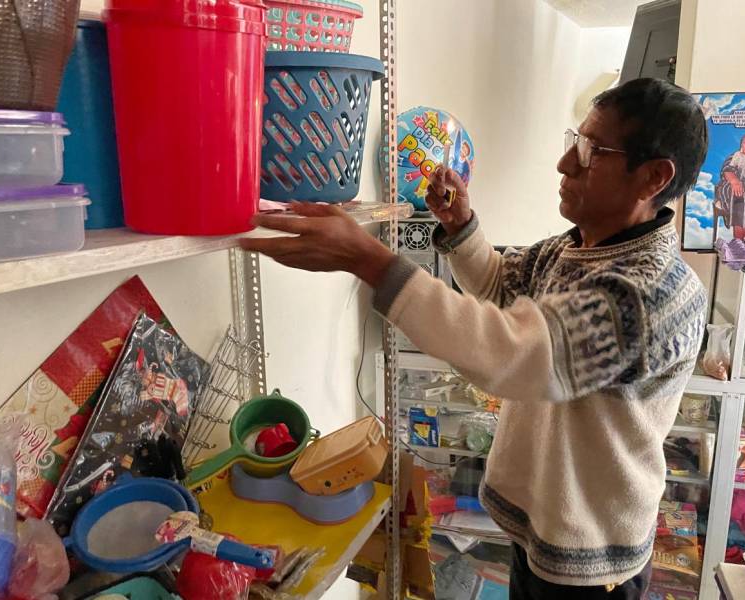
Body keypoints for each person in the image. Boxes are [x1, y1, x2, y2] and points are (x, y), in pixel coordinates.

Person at [241, 77, 709, 599]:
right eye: (572, 140)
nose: (564, 164)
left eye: (590, 151)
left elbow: (521, 359)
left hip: (592, 565)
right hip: (537, 531)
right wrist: (462, 227)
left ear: (652, 177)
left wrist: (368, 260)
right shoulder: (571, 248)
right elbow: (501, 288)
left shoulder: (649, 292)